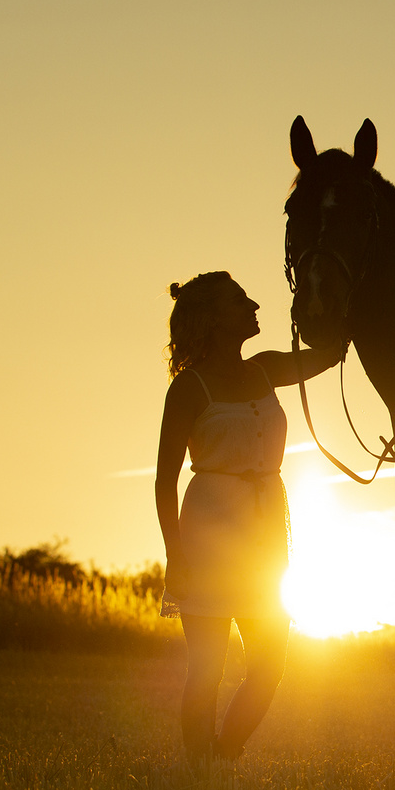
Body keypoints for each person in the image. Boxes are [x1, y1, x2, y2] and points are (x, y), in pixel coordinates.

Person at [156, 271, 343, 763]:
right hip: (208, 538)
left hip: (265, 535)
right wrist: (175, 555)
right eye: (242, 301)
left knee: (270, 663)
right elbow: (163, 480)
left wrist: (324, 309)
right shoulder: (189, 389)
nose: (255, 305)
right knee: (207, 669)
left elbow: (330, 353)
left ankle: (223, 754)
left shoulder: (265, 368)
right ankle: (200, 772)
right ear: (216, 319)